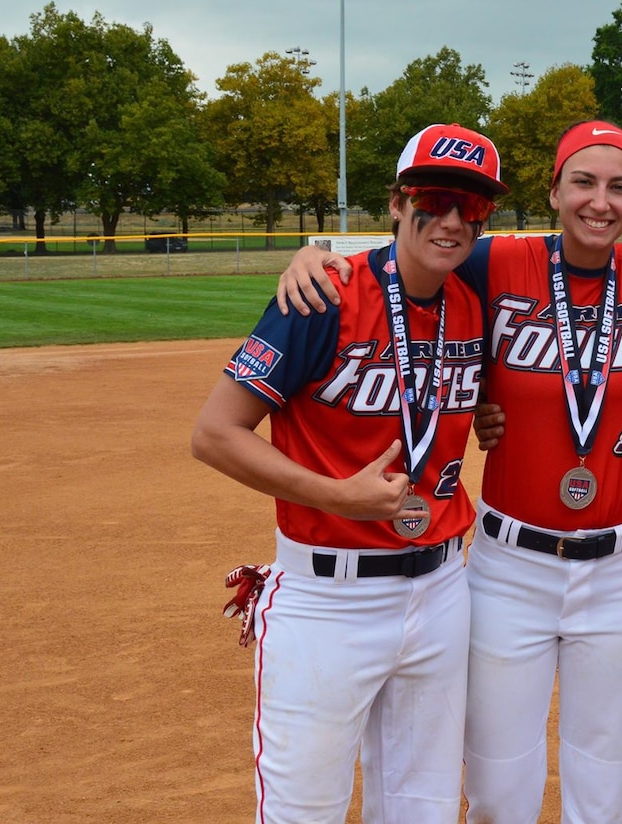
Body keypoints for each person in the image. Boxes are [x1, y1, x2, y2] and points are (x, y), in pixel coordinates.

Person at [277, 121, 622, 824]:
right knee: (497, 789)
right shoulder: (496, 263)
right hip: (506, 566)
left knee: (602, 786)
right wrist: (314, 253)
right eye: (582, 181)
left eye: (619, 187)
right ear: (553, 192)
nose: (600, 201)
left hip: (620, 568)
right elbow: (402, 259)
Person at [192, 123, 506, 823]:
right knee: (305, 811)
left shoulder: (472, 304)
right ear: (397, 201)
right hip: (326, 597)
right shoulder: (322, 295)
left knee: (422, 810)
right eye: (434, 197)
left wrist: (487, 412)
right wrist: (339, 496)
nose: (453, 220)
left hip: (442, 590)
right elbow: (214, 434)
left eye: (473, 207)